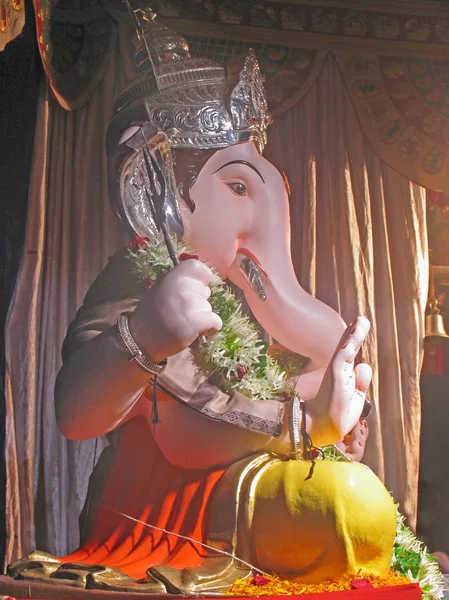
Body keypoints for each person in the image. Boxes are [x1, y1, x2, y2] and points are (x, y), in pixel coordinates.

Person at [7, 9, 395, 594]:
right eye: (237, 187)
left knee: (358, 500)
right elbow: (75, 412)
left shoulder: (245, 298)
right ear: (156, 183)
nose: (259, 214)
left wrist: (325, 415)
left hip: (247, 483)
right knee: (350, 506)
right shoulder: (140, 278)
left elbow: (261, 400)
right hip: (167, 509)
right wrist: (141, 338)